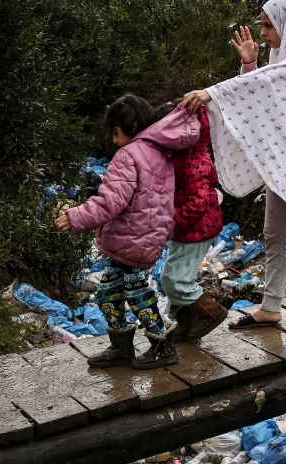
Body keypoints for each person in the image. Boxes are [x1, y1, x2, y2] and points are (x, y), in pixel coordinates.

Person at [180, 0, 286, 333]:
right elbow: (265, 97)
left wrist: (213, 92)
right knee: (274, 235)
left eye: (269, 25)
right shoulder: (283, 58)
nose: (264, 32)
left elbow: (269, 85)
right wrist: (251, 65)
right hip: (283, 163)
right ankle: (271, 308)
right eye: (263, 24)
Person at [56, 94, 199, 369]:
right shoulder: (161, 153)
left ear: (131, 126)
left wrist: (77, 217)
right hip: (143, 240)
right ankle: (121, 348)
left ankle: (163, 345)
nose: (113, 140)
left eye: (115, 132)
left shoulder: (128, 155)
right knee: (109, 292)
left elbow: (111, 201)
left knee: (136, 295)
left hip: (133, 242)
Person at [161, 104, 229, 340]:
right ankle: (186, 320)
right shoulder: (181, 156)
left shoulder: (196, 161)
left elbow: (198, 203)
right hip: (186, 229)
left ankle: (210, 312)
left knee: (174, 278)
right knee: (175, 275)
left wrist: (174, 221)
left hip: (196, 228)